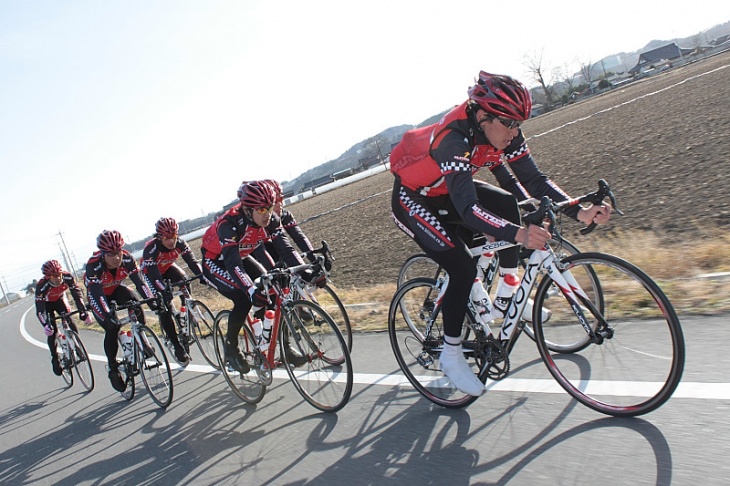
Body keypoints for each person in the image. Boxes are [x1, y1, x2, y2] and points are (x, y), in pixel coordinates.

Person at [390, 71, 611, 397]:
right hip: (413, 200)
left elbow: (535, 181)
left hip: (447, 193)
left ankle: (506, 295)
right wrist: (520, 235)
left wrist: (578, 209)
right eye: (509, 123)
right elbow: (468, 210)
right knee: (461, 266)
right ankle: (451, 354)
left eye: (520, 123)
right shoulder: (453, 141)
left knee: (506, 204)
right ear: (483, 115)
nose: (515, 131)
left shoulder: (501, 132)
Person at [200, 180, 308, 373]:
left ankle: (280, 346)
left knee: (272, 290)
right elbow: (232, 264)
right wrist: (250, 289)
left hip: (241, 257)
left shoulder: (271, 218)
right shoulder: (229, 223)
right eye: (262, 210)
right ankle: (230, 348)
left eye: (269, 207)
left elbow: (286, 248)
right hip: (215, 262)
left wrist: (305, 270)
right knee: (243, 298)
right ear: (248, 210)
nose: (268, 214)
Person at [85, 230, 157, 392]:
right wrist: (107, 314)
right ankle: (113, 368)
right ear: (103, 254)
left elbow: (140, 283)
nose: (116, 258)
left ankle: (142, 339)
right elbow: (97, 294)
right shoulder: (93, 266)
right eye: (111, 254)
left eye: (118, 252)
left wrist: (152, 301)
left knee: (135, 303)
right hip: (99, 296)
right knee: (112, 327)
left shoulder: (127, 259)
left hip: (117, 289)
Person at [141, 217, 204, 365]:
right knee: (165, 306)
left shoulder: (180, 243)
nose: (172, 241)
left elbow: (192, 261)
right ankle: (176, 345)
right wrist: (163, 291)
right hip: (151, 275)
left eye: (174, 237)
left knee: (184, 281)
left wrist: (202, 276)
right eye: (167, 238)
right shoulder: (151, 249)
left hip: (168, 268)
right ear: (159, 237)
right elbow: (155, 277)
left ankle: (184, 313)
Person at [259, 179, 328, 288]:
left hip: (275, 247)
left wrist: (314, 260)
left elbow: (299, 238)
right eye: (275, 201)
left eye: (281, 198)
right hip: (257, 252)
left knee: (293, 270)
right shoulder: (260, 222)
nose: (280, 204)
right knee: (278, 283)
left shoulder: (285, 215)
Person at [35, 260, 91, 376]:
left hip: (60, 300)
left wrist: (82, 311)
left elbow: (77, 294)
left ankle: (77, 345)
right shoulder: (42, 286)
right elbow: (40, 310)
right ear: (48, 277)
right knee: (53, 331)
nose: (58, 278)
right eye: (54, 276)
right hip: (47, 305)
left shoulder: (67, 277)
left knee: (70, 320)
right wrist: (45, 325)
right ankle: (54, 358)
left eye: (59, 274)